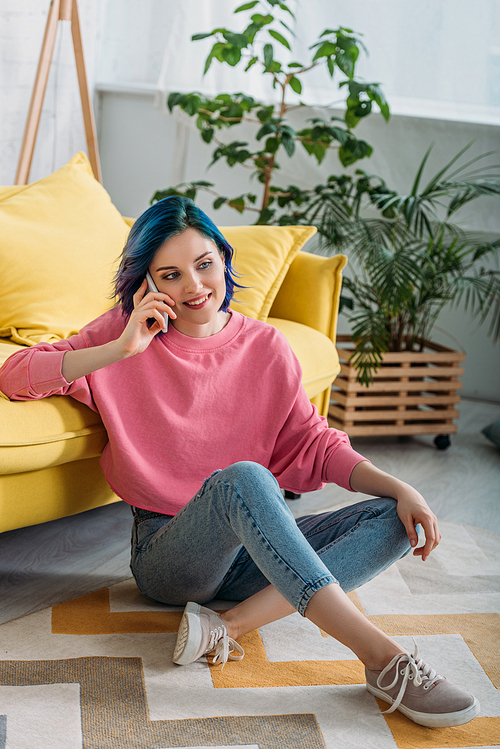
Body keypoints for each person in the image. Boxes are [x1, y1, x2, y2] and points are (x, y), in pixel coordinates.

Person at [0, 197, 479, 729]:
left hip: (251, 556)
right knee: (246, 478)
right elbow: (17, 374)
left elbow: (313, 442)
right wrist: (119, 349)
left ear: (225, 258)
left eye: (205, 264)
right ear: (147, 284)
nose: (195, 286)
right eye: (171, 275)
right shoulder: (122, 335)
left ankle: (229, 626)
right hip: (169, 555)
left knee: (395, 518)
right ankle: (384, 661)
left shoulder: (267, 346)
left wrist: (400, 486)